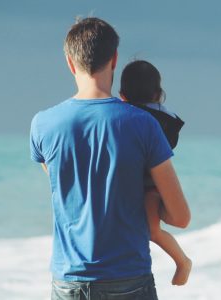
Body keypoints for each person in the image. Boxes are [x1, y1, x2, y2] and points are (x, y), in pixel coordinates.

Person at [29, 17, 191, 300]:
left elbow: (68, 189)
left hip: (69, 281)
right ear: (114, 59)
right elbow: (180, 217)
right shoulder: (143, 124)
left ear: (69, 62)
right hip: (127, 279)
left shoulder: (43, 124)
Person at [120, 60, 192, 286]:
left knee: (151, 230)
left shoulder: (124, 116)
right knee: (151, 230)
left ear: (122, 95)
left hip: (150, 186)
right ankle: (182, 262)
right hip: (152, 185)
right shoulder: (165, 117)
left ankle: (183, 261)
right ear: (159, 93)